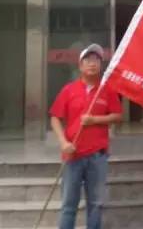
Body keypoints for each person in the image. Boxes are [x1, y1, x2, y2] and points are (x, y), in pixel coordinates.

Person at [50, 43, 123, 229]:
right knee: (68, 206)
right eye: (88, 60)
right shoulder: (69, 90)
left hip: (97, 156)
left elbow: (117, 116)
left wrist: (95, 120)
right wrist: (63, 142)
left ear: (101, 65)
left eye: (96, 60)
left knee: (96, 205)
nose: (92, 63)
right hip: (72, 155)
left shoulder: (107, 90)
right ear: (80, 66)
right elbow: (55, 118)